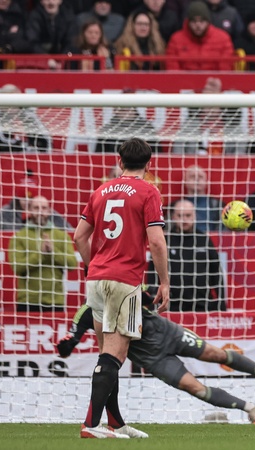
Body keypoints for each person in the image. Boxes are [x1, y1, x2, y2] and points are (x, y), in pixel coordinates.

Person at [55, 290, 255, 425]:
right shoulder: (86, 313)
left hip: (166, 333)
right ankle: (251, 408)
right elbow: (68, 344)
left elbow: (150, 302)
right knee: (196, 388)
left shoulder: (124, 286)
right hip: (152, 359)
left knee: (215, 354)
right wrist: (66, 344)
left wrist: (148, 296)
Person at [73, 137, 170, 439]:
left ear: (119, 161)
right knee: (115, 354)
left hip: (96, 279)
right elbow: (156, 241)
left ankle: (115, 422)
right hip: (124, 280)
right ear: (149, 164)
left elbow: (78, 237)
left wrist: (92, 266)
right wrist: (164, 281)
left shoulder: (100, 191)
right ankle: (90, 425)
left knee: (107, 352)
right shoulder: (149, 191)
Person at [148, 199, 226, 312]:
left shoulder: (203, 240)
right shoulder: (165, 241)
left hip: (201, 305)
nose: (184, 219)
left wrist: (221, 305)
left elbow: (216, 274)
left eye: (188, 215)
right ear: (173, 217)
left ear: (195, 216)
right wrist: (152, 303)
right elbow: (152, 274)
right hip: (171, 306)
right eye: (179, 215)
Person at [7, 195, 78, 312]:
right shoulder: (19, 237)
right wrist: (40, 254)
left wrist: (53, 251)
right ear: (29, 210)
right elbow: (17, 267)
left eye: (44, 208)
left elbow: (72, 264)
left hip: (55, 301)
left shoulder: (62, 236)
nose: (40, 212)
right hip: (28, 301)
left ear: (49, 211)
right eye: (36, 208)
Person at [0, 172, 73, 231]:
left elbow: (69, 230)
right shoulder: (4, 214)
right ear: (18, 198)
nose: (27, 202)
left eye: (31, 198)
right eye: (24, 198)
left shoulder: (46, 212)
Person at [166, 1, 235, 71]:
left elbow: (225, 70)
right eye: (194, 21)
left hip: (214, 78)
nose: (198, 26)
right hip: (185, 78)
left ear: (208, 22)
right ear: (188, 22)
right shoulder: (176, 40)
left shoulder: (223, 39)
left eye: (202, 21)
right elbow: (173, 69)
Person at [0, 84, 51, 152]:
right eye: (7, 100)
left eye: (14, 99)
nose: (11, 104)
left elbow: (45, 143)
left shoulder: (28, 116)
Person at [95, 103, 160, 153]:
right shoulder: (107, 130)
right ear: (115, 110)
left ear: (135, 110)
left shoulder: (147, 129)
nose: (126, 112)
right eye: (122, 109)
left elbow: (157, 153)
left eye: (128, 108)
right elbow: (99, 155)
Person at [181, 165, 224, 233]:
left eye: (200, 177)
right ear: (185, 181)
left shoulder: (218, 205)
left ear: (206, 182)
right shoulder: (175, 206)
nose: (197, 179)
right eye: (192, 176)